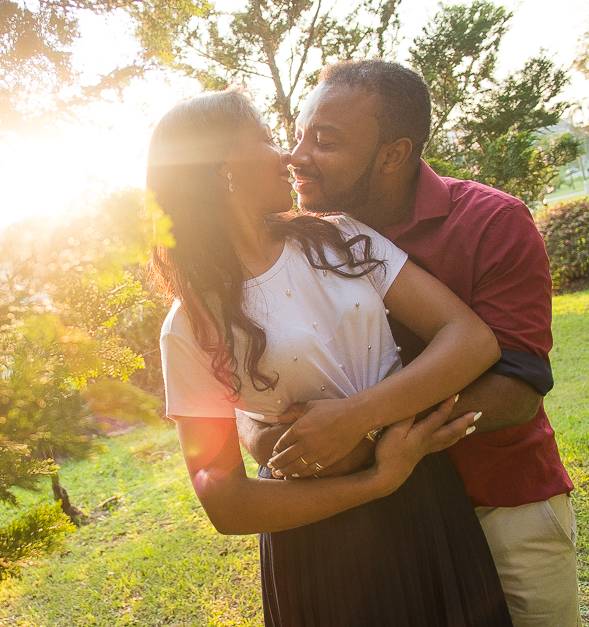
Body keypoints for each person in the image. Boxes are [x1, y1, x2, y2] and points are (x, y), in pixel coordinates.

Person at [150, 88, 512, 626]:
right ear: (224, 168)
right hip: (320, 544)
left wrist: (362, 421)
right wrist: (375, 480)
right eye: (268, 138)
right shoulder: (189, 326)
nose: (288, 156)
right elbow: (225, 502)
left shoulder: (339, 238)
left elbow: (471, 339)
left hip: (427, 503)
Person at [239, 60, 579, 627]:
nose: (297, 156)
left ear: (395, 153)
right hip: (381, 524)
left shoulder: (493, 221)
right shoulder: (301, 241)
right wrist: (267, 434)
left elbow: (515, 388)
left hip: (501, 502)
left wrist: (358, 426)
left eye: (325, 141)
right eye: (297, 134)